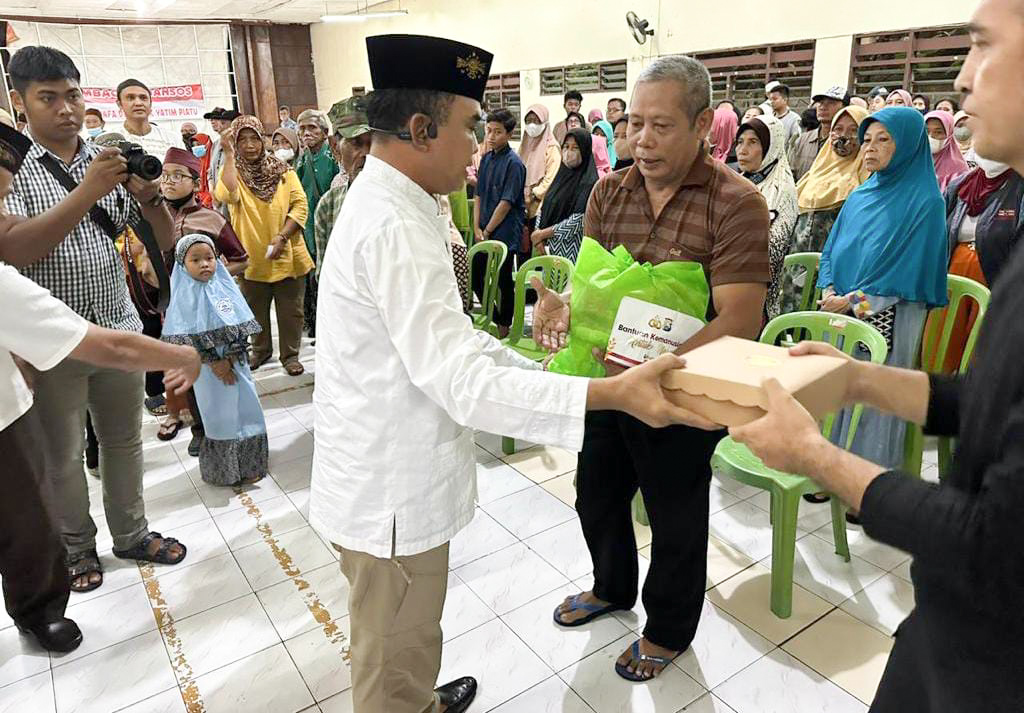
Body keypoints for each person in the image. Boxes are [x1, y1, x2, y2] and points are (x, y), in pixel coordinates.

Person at [311, 34, 712, 713]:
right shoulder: (391, 222)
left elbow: (454, 340)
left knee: (408, 632)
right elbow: (459, 377)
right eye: (470, 127)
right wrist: (606, 392)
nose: (477, 146)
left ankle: (416, 697)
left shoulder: (402, 203)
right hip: (387, 489)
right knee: (390, 646)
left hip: (390, 471)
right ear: (420, 129)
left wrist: (545, 366)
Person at [730, 1, 1024, 707]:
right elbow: (989, 400)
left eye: (984, 46)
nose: (962, 77)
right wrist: (857, 378)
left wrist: (815, 456)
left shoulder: (935, 202)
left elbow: (994, 543)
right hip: (953, 622)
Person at [543, 54, 771, 682]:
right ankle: (612, 586)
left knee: (675, 512)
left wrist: (657, 366)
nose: (641, 140)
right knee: (596, 493)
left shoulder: (737, 202)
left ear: (701, 125)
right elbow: (592, 286)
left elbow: (740, 319)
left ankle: (669, 628)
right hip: (613, 383)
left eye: (661, 126)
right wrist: (562, 303)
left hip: (684, 393)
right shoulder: (608, 191)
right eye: (634, 124)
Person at [1, 46, 188, 593]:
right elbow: (17, 249)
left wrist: (150, 199)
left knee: (124, 442)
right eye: (48, 98)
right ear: (20, 102)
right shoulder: (14, 170)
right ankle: (77, 547)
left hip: (118, 324)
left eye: (73, 95)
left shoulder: (107, 159)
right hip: (52, 343)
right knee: (62, 456)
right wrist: (89, 191)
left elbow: (163, 239)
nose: (66, 109)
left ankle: (132, 534)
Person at [814, 107, 948, 480]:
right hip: (840, 307)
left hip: (890, 314)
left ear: (907, 145)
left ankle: (867, 478)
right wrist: (829, 287)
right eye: (867, 139)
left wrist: (851, 302)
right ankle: (830, 468)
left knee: (873, 395)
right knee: (836, 386)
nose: (869, 148)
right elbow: (831, 248)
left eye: (883, 139)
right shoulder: (861, 194)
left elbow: (905, 278)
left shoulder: (926, 203)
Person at [159, 146, 249, 452]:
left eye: (177, 176)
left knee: (214, 369)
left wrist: (210, 276)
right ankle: (200, 429)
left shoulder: (211, 219)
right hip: (171, 310)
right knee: (184, 367)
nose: (168, 182)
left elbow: (242, 260)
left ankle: (229, 428)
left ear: (195, 183)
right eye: (164, 175)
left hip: (208, 311)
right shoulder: (154, 217)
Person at [162, 234, 268, 486]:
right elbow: (184, 339)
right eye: (195, 260)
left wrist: (229, 360)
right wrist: (214, 362)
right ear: (182, 264)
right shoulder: (182, 297)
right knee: (218, 415)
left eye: (209, 258)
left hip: (236, 363)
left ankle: (251, 465)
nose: (204, 264)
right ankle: (225, 470)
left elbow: (241, 326)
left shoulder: (225, 288)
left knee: (246, 409)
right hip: (207, 372)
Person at [214, 115, 312, 376]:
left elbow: (300, 205)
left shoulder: (283, 171)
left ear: (263, 140)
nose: (249, 145)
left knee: (291, 311)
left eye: (254, 138)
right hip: (252, 256)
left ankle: (290, 355)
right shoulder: (233, 173)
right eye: (242, 140)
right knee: (254, 310)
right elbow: (226, 194)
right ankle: (260, 350)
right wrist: (229, 155)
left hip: (287, 251)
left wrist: (282, 236)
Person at [925, 159, 1024, 372]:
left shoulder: (1018, 188)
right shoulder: (962, 184)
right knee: (942, 338)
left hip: (993, 276)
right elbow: (941, 230)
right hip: (953, 273)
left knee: (979, 344)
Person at [780, 105, 870, 314]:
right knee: (792, 318)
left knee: (825, 323)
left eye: (853, 130)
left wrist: (854, 302)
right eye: (838, 129)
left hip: (837, 282)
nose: (844, 136)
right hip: (798, 268)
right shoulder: (816, 172)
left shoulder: (867, 185)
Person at [736, 114, 798, 320]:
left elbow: (772, 250)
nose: (742, 150)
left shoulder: (781, 190)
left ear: (771, 146)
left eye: (753, 142)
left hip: (759, 297)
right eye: (740, 142)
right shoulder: (740, 181)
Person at [473, 107, 526, 337]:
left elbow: (506, 203)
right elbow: (478, 195)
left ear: (509, 134)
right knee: (476, 274)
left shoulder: (515, 164)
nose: (491, 136)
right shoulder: (486, 159)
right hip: (484, 228)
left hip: (504, 230)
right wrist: (476, 226)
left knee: (503, 279)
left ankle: (505, 325)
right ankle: (494, 316)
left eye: (497, 132)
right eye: (489, 130)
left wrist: (487, 230)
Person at [314, 96, 372, 276]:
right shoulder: (328, 206)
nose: (367, 153)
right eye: (356, 143)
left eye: (374, 143)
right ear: (334, 147)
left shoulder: (405, 199)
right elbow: (325, 276)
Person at [296, 109, 339, 339]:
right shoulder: (302, 159)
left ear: (324, 132)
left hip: (329, 228)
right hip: (307, 229)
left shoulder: (333, 157)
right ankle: (315, 325)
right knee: (312, 278)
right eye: (302, 129)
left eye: (312, 128)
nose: (306, 133)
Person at [530, 127, 598, 262]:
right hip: (546, 248)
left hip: (570, 250)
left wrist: (542, 234)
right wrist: (538, 235)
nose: (568, 152)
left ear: (584, 150)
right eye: (566, 146)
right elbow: (545, 204)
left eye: (575, 148)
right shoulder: (560, 176)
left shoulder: (589, 182)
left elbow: (578, 221)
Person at [518, 104, 560, 263]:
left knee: (537, 252)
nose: (532, 125)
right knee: (523, 250)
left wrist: (534, 194)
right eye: (528, 121)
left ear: (544, 122)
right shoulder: (524, 144)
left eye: (536, 121)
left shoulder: (552, 148)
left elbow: (551, 178)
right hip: (523, 206)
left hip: (540, 206)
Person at [789, 86, 849, 182]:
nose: (823, 107)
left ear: (845, 108)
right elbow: (791, 173)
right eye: (820, 102)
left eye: (831, 103)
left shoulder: (849, 143)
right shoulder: (803, 140)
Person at [115, 78, 177, 158]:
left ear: (150, 103)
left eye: (143, 98)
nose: (138, 103)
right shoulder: (110, 140)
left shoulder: (172, 138)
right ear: (119, 104)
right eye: (130, 98)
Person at [205, 106, 241, 213]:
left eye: (224, 123)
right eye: (220, 122)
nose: (220, 125)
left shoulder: (241, 146)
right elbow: (210, 172)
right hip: (218, 203)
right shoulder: (215, 144)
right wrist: (212, 192)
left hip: (234, 200)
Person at [926, 109, 971, 191]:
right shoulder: (913, 162)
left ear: (949, 134)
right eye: (926, 131)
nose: (930, 136)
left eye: (938, 132)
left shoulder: (959, 170)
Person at [190, 132, 214, 207]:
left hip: (213, 200)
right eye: (193, 145)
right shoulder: (194, 162)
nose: (195, 148)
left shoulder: (215, 161)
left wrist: (208, 199)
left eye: (198, 144)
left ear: (207, 145)